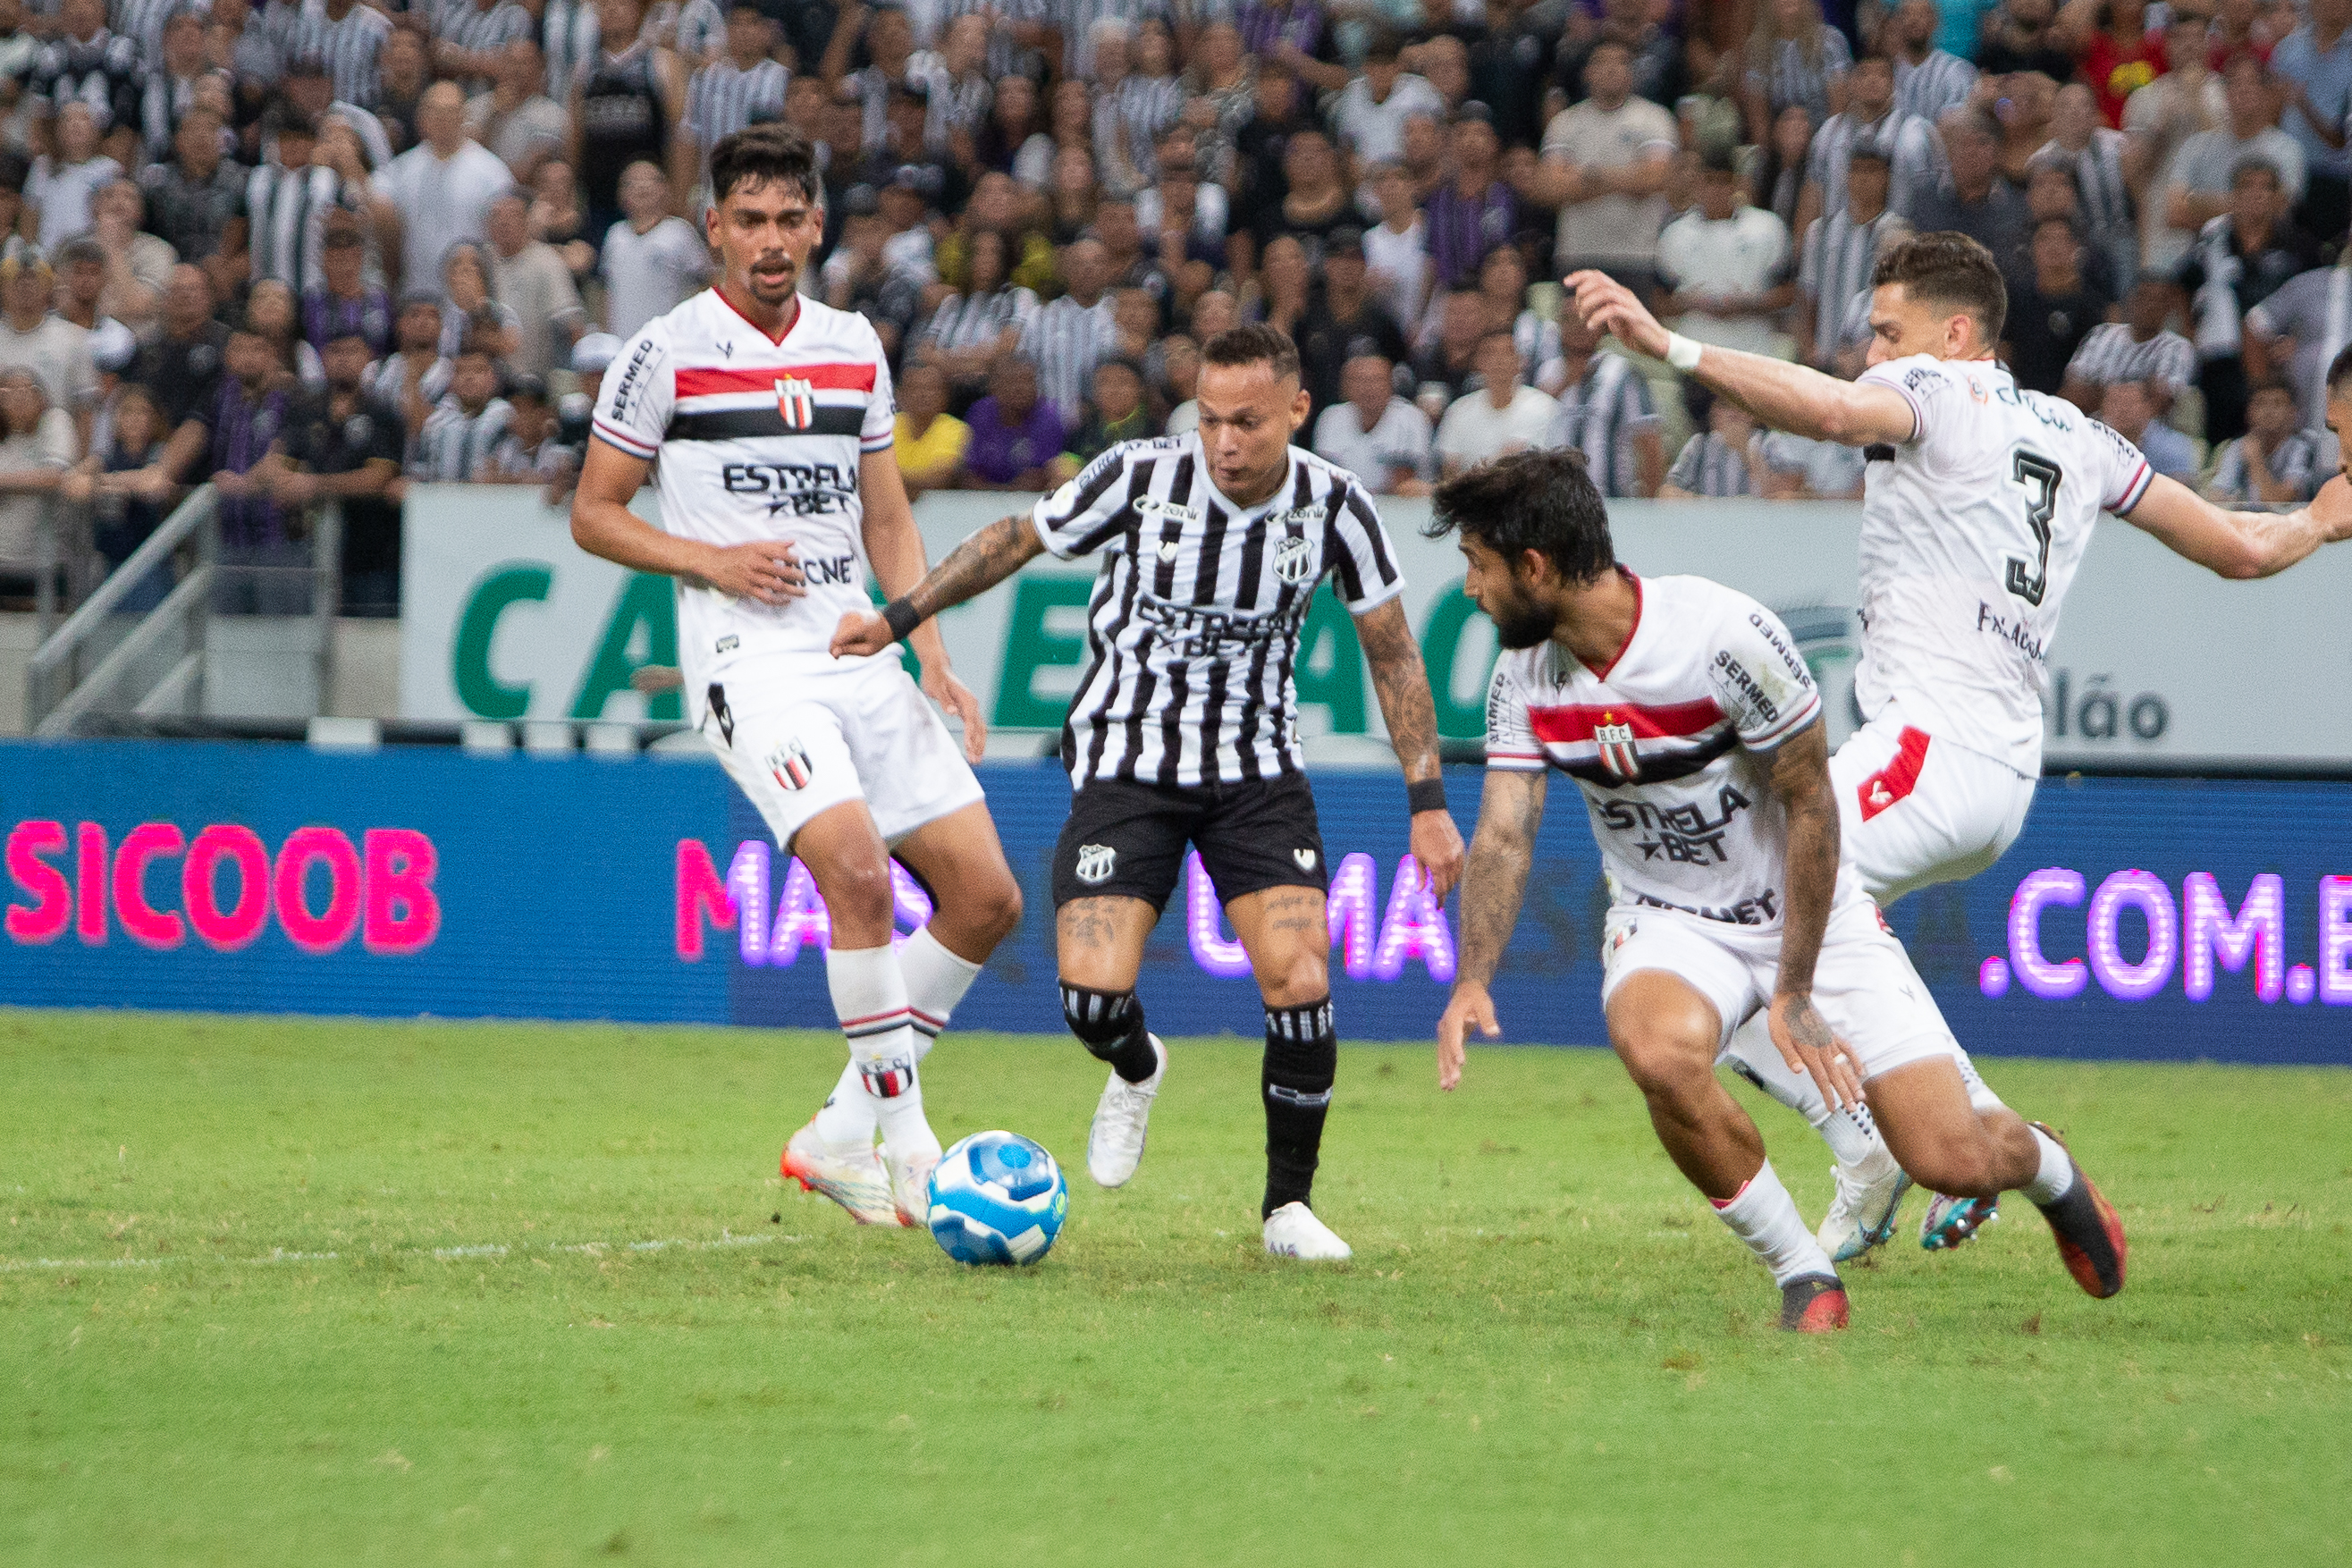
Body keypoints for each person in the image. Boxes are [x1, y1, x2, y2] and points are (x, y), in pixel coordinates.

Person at [1569, 232, 2352, 1261]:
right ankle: (1980, 1145)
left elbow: (1836, 411)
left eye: (1886, 331)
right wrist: (2322, 519)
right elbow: (2244, 548)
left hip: (1928, 748)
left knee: (1720, 897)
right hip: (1995, 771)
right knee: (1745, 915)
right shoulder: (2083, 436)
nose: (1872, 353)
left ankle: (1884, 1138)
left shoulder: (1934, 387)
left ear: (1954, 332)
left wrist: (1672, 347)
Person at [1429, 451, 2131, 1332]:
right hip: (1669, 920)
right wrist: (1472, 978)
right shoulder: (1525, 679)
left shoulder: (1723, 637)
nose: (1469, 590)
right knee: (1654, 1043)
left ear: (1534, 568)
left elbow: (1811, 801)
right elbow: (1502, 832)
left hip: (1811, 915)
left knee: (1952, 1157)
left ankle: (2049, 1171)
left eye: (1478, 565)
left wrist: (1794, 985)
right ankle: (1804, 1271)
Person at [829, 322, 1465, 1263]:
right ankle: (1137, 1064)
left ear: (1296, 409)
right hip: (1128, 763)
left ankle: (1288, 1206)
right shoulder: (1137, 476)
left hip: (1255, 773)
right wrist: (898, 618)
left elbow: (1393, 649)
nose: (1225, 442)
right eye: (1208, 419)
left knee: (1300, 975)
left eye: (1247, 422)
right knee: (1091, 995)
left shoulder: (1337, 504)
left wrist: (1428, 799)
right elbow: (1016, 537)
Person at [571, 124, 1022, 1229]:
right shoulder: (665, 352)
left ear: (816, 226)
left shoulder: (852, 344)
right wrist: (710, 560)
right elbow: (594, 511)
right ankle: (911, 1144)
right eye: (750, 222)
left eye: (790, 220)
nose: (771, 243)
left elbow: (885, 513)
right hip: (747, 662)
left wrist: (931, 647)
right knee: (859, 878)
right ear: (713, 228)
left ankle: (835, 1133)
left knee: (987, 897)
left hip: (855, 646)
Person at [1524, 38, 1677, 305]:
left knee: (1634, 343)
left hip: (1638, 256)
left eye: (1621, 62)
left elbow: (1655, 179)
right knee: (1578, 339)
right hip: (1577, 255)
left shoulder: (1654, 118)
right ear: (1587, 72)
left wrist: (1588, 176)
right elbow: (1549, 188)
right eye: (1602, 62)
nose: (1612, 69)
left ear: (1632, 72)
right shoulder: (1565, 123)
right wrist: (1628, 178)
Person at [268, 326, 405, 616]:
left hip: (371, 556)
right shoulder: (303, 409)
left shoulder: (383, 413)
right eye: (336, 352)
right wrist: (282, 480)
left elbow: (378, 478)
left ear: (368, 357)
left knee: (369, 644)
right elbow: (280, 463)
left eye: (352, 351)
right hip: (307, 552)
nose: (344, 359)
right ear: (323, 357)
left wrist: (314, 485)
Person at [369, 80, 517, 295]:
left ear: (463, 116)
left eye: (450, 112)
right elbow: (374, 198)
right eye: (434, 112)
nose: (442, 120)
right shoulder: (402, 169)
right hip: (418, 297)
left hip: (471, 298)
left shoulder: (492, 172)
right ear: (422, 118)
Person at [1657, 151, 1796, 359]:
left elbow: (1788, 294)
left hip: (1752, 353)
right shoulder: (1675, 234)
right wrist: (1690, 302)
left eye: (1724, 182)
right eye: (1709, 182)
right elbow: (1659, 303)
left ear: (1736, 184)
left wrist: (1748, 304)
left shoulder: (1767, 228)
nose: (1717, 191)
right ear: (1698, 184)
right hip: (1694, 356)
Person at [1547, 305, 1662, 498]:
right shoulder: (1546, 373)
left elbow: (1649, 444)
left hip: (1611, 504)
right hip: (1554, 507)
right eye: (1570, 320)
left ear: (1601, 327)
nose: (1578, 327)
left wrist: (1649, 510)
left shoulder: (1623, 374)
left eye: (1586, 321)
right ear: (1558, 326)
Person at [600, 158, 709, 337]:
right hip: (623, 344)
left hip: (669, 343)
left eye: (650, 180)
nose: (642, 187)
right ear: (621, 193)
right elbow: (606, 290)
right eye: (632, 183)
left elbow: (704, 283)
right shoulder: (615, 235)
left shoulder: (680, 233)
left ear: (665, 189)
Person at [2061, 274, 2196, 417]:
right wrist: (2141, 392)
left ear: (2169, 309)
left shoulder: (2177, 347)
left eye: (2159, 300)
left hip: (2147, 434)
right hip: (2093, 429)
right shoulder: (2101, 334)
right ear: (2130, 301)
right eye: (2143, 297)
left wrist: (2098, 391)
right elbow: (2071, 395)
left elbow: (2160, 404)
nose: (2150, 305)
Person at [1435, 329, 1561, 479]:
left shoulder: (1545, 408)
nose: (1499, 360)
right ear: (1478, 362)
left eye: (1507, 352)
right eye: (1490, 353)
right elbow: (1450, 475)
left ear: (1520, 361)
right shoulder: (1458, 411)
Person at [2003, 215, 2109, 395]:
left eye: (2061, 239)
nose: (2053, 246)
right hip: (2020, 400)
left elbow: (2095, 374)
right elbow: (2004, 353)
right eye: (2045, 239)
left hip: (2070, 410)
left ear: (2075, 247)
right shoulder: (2016, 297)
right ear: (2033, 248)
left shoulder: (2091, 305)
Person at [1312, 350, 1432, 496]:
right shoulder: (1331, 418)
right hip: (1345, 506)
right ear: (1344, 387)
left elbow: (1402, 487)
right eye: (1360, 380)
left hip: (1399, 509)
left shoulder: (1410, 418)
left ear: (1391, 385)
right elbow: (1326, 479)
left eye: (1377, 380)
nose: (1369, 388)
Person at [413, 340, 522, 478]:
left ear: (493, 379)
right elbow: (421, 470)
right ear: (451, 381)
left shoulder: (509, 419)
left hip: (493, 497)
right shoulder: (435, 423)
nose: (469, 377)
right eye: (461, 371)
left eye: (478, 370)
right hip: (444, 497)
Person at [2209, 376, 2324, 502]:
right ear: (2249, 412)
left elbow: (2279, 503)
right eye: (2260, 403)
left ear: (2292, 412)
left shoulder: (2304, 447)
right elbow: (2217, 497)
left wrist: (2256, 461)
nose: (2268, 411)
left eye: (2277, 403)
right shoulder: (2238, 446)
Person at [959, 354, 1064, 491]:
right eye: (1011, 382)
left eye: (1027, 381)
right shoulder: (979, 413)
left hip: (1029, 504)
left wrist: (991, 491)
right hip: (980, 502)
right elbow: (969, 476)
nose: (1020, 388)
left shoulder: (1048, 420)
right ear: (994, 387)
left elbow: (1036, 481)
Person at [2098, 375, 2201, 480]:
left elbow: (2178, 493)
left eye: (2129, 403)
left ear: (2148, 408)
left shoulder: (2174, 447)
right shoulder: (2094, 440)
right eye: (2114, 402)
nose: (2121, 410)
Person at [1660, 395, 1762, 496]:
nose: (1733, 413)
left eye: (1741, 405)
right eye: (1725, 405)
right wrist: (1703, 503)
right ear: (1713, 412)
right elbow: (1667, 492)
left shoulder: (1768, 442)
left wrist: (1744, 450)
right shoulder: (1699, 445)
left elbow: (1775, 494)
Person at [892, 360, 967, 494]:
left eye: (931, 389)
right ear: (900, 395)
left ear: (945, 395)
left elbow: (940, 480)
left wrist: (892, 478)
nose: (923, 395)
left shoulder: (956, 429)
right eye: (914, 388)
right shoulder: (888, 426)